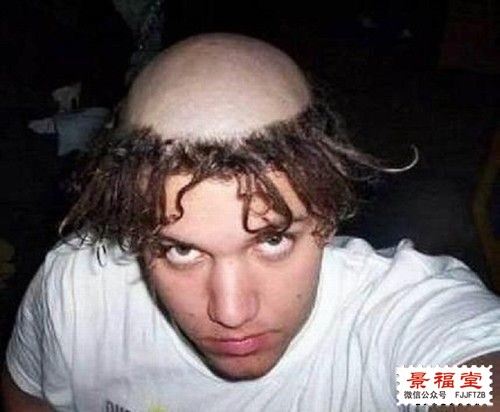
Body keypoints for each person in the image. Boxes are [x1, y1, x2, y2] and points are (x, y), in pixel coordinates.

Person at [2, 33, 500, 412]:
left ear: (328, 214)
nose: (232, 312)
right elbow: (31, 395)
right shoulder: (80, 292)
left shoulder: (387, 363)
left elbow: (470, 382)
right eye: (180, 250)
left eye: (274, 239)